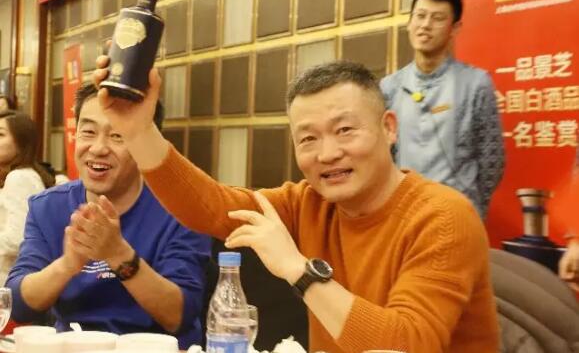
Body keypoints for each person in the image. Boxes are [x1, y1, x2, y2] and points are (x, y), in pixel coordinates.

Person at [93, 58, 499, 352]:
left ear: (388, 128)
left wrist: (299, 271)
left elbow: (405, 344)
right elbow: (212, 207)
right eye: (308, 139)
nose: (327, 153)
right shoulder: (309, 201)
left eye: (345, 130)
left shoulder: (443, 215)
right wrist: (138, 130)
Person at [6, 84, 211, 349]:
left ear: (146, 144)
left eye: (117, 135)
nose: (98, 148)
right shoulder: (48, 207)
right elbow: (17, 305)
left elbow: (179, 316)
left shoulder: (182, 209)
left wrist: (118, 255)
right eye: (88, 132)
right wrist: (67, 265)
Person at [380, 0, 505, 219]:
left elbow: (492, 159)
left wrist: (471, 204)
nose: (426, 25)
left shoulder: (475, 84)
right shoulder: (389, 87)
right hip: (404, 214)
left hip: (458, 214)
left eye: (437, 18)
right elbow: (384, 155)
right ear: (409, 22)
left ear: (454, 28)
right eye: (420, 16)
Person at [0, 110, 55, 285]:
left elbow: (18, 238)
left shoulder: (19, 178)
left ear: (21, 143)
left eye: (1, 135)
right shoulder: (23, 175)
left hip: (11, 281)